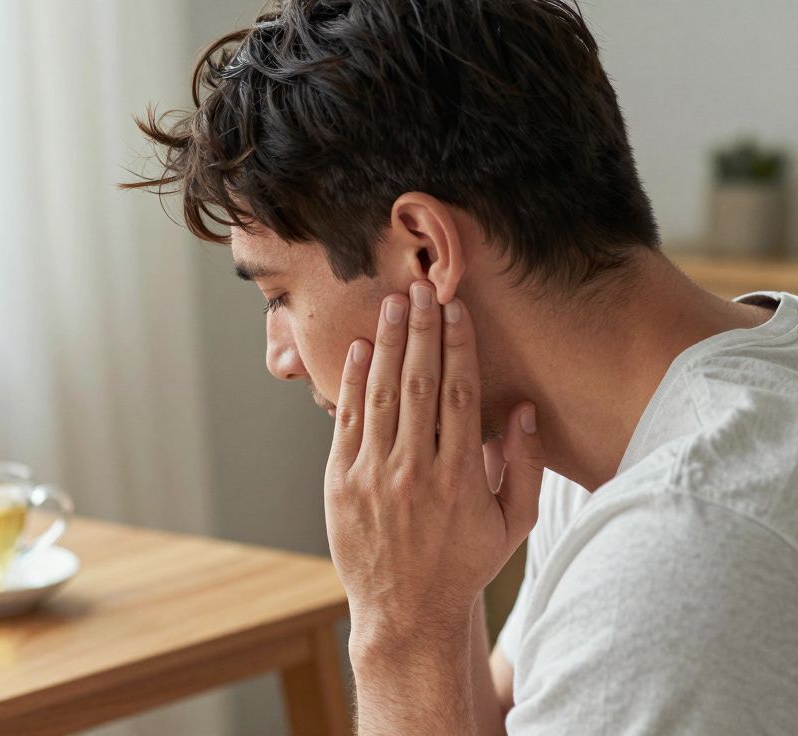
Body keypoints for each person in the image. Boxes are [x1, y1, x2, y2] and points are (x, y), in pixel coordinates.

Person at [122, 0, 798, 733]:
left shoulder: (679, 548)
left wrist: (396, 629)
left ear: (424, 252)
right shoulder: (639, 435)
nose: (279, 358)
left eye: (278, 295)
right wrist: (437, 584)